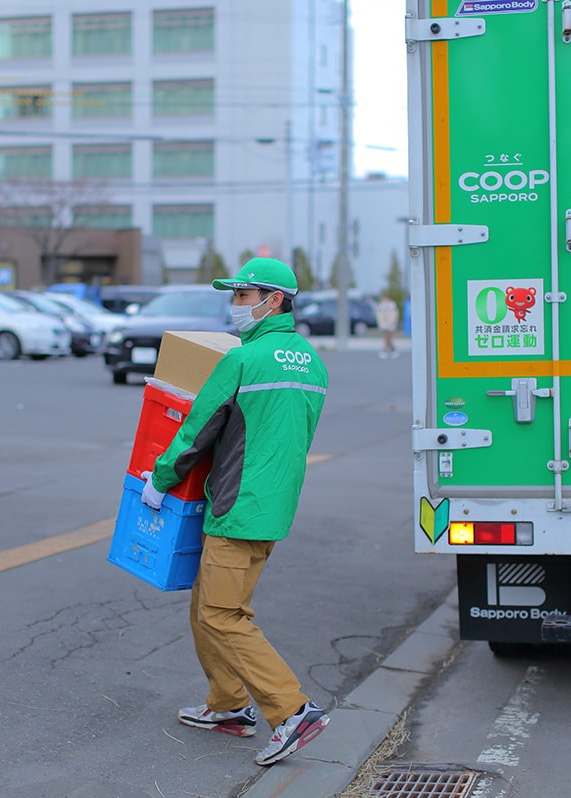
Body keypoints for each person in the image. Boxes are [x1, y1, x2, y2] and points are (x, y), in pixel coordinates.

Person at [139, 257, 330, 767]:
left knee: (223, 614)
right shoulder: (311, 361)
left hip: (235, 506)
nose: (235, 305)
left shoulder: (243, 361)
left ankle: (291, 711)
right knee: (211, 603)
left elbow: (197, 430)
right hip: (273, 508)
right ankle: (227, 706)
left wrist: (159, 481)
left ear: (274, 300)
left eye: (243, 296)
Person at [375, 293, 400, 358]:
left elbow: (394, 314)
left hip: (390, 324)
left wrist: (392, 321)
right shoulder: (381, 306)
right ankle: (389, 349)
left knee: (388, 336)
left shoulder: (392, 305)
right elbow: (379, 315)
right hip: (384, 324)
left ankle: (387, 349)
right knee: (387, 336)